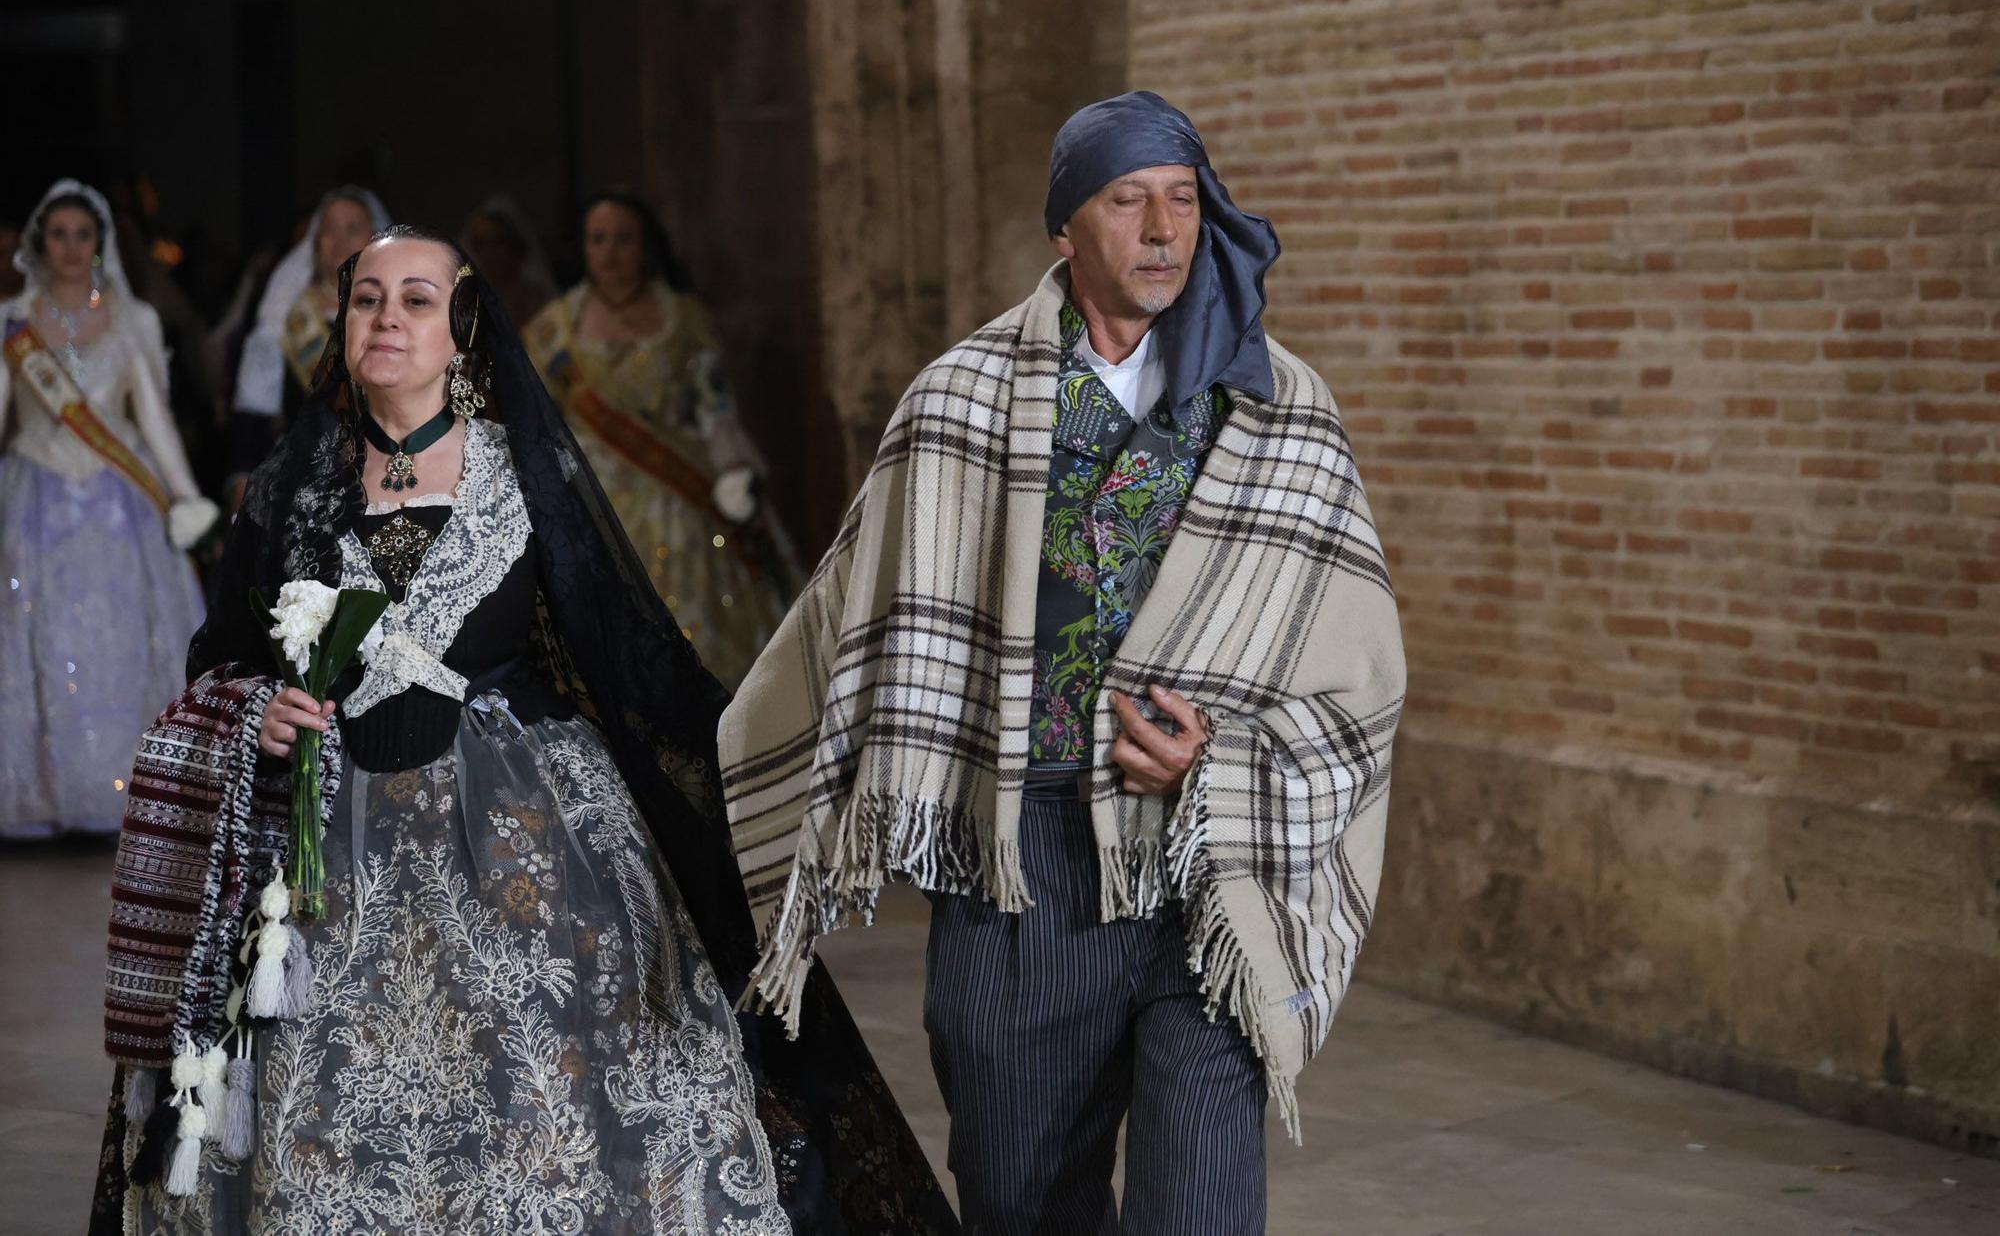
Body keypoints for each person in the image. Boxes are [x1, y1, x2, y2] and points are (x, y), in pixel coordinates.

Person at [92, 228, 956, 1235]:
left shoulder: (524, 475)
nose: (386, 319)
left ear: (461, 330)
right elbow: (223, 654)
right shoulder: (294, 481)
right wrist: (256, 707)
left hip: (522, 836)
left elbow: (632, 657)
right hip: (327, 851)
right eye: (366, 299)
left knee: (555, 1071)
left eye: (415, 300)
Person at [723, 91, 1407, 1233]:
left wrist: (1222, 758)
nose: (1161, 229)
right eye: (1126, 199)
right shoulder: (961, 400)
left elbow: (1356, 670)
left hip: (1208, 867)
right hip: (1022, 864)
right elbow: (858, 606)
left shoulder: (1281, 408)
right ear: (1064, 230)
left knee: (1198, 1208)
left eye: (1182, 201)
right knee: (1019, 1201)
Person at [0, 179, 216, 838]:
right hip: (35, 494)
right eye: (58, 234)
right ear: (42, 243)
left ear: (100, 244)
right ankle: (46, 789)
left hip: (120, 506)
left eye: (82, 234)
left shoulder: (133, 320)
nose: (71, 247)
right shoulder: (13, 320)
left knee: (120, 641)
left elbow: (152, 419)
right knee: (39, 641)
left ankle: (129, 786)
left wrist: (184, 496)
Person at [524, 191, 795, 688]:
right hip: (588, 500)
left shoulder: (685, 321)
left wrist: (737, 478)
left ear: (647, 246)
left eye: (623, 239)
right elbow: (535, 426)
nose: (610, 252)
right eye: (598, 239)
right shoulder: (551, 331)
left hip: (678, 496)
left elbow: (716, 409)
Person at [226, 186, 387, 501]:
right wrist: (240, 484)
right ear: (315, 242)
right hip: (302, 483)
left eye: (353, 229)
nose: (339, 240)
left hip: (383, 480)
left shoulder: (398, 317)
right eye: (329, 230)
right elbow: (254, 411)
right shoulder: (287, 315)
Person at [460, 193, 557, 330]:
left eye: (498, 242)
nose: (489, 253)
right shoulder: (465, 304)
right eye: (480, 244)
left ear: (515, 244)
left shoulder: (539, 301)